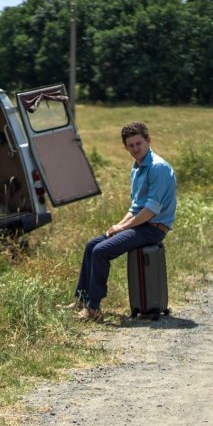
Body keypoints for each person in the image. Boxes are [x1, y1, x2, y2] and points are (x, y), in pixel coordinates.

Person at [65, 121, 177, 321]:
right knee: (92, 245)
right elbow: (135, 208)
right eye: (130, 145)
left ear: (148, 140)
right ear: (125, 147)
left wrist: (123, 227)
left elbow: (151, 210)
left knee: (101, 251)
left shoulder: (157, 168)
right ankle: (82, 300)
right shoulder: (137, 168)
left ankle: (93, 309)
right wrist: (118, 227)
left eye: (138, 143)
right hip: (141, 225)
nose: (135, 149)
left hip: (153, 228)